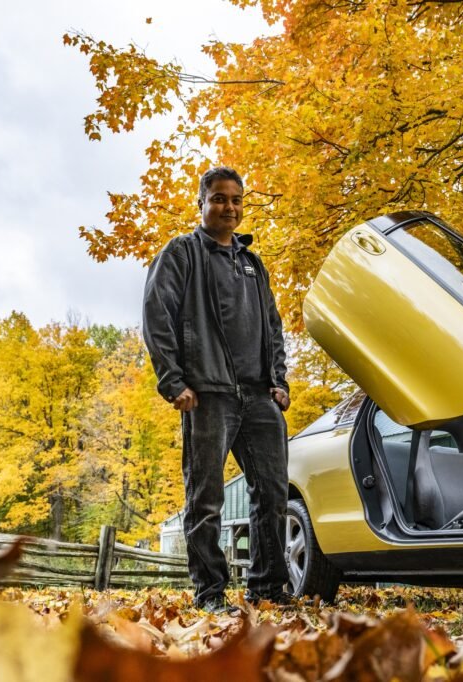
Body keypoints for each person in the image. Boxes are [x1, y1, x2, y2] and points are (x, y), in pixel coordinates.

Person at [142, 166, 292, 613]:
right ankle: (210, 593)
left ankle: (267, 586)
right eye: (220, 199)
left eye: (237, 200)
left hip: (259, 397)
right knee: (205, 498)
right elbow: (156, 316)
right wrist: (173, 381)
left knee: (273, 493)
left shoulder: (251, 263)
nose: (229, 207)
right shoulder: (181, 253)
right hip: (208, 394)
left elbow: (273, 326)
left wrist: (279, 381)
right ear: (202, 204)